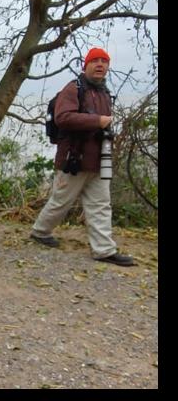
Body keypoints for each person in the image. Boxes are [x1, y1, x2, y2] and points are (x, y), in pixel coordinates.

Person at [30, 48, 135, 266]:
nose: (100, 65)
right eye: (95, 61)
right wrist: (97, 121)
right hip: (74, 159)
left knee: (101, 205)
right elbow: (62, 117)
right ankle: (40, 231)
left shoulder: (105, 93)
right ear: (85, 66)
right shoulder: (73, 89)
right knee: (61, 201)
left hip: (99, 160)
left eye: (104, 61)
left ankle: (104, 250)